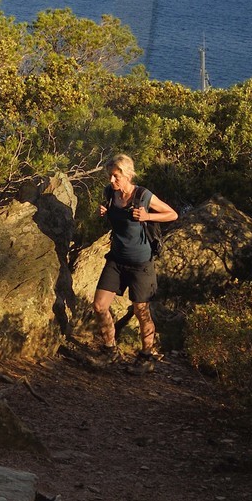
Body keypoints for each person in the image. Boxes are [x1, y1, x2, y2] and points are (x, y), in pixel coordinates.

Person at [93, 153, 177, 363]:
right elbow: (114, 216)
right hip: (116, 260)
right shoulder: (110, 193)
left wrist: (148, 216)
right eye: (110, 176)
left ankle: (146, 356)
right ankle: (110, 350)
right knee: (99, 306)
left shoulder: (143, 195)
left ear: (128, 175)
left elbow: (172, 214)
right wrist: (104, 211)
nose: (111, 181)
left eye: (115, 176)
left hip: (141, 264)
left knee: (142, 312)